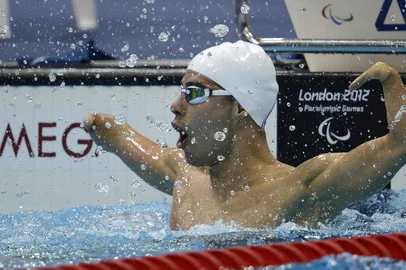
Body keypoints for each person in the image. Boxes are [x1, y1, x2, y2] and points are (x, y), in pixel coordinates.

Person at [83, 40, 406, 230]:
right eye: (182, 92)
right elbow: (131, 143)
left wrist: (391, 81)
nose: (176, 106)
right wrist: (111, 130)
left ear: (239, 106)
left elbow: (399, 146)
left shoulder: (302, 191)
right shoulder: (186, 177)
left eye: (195, 93)